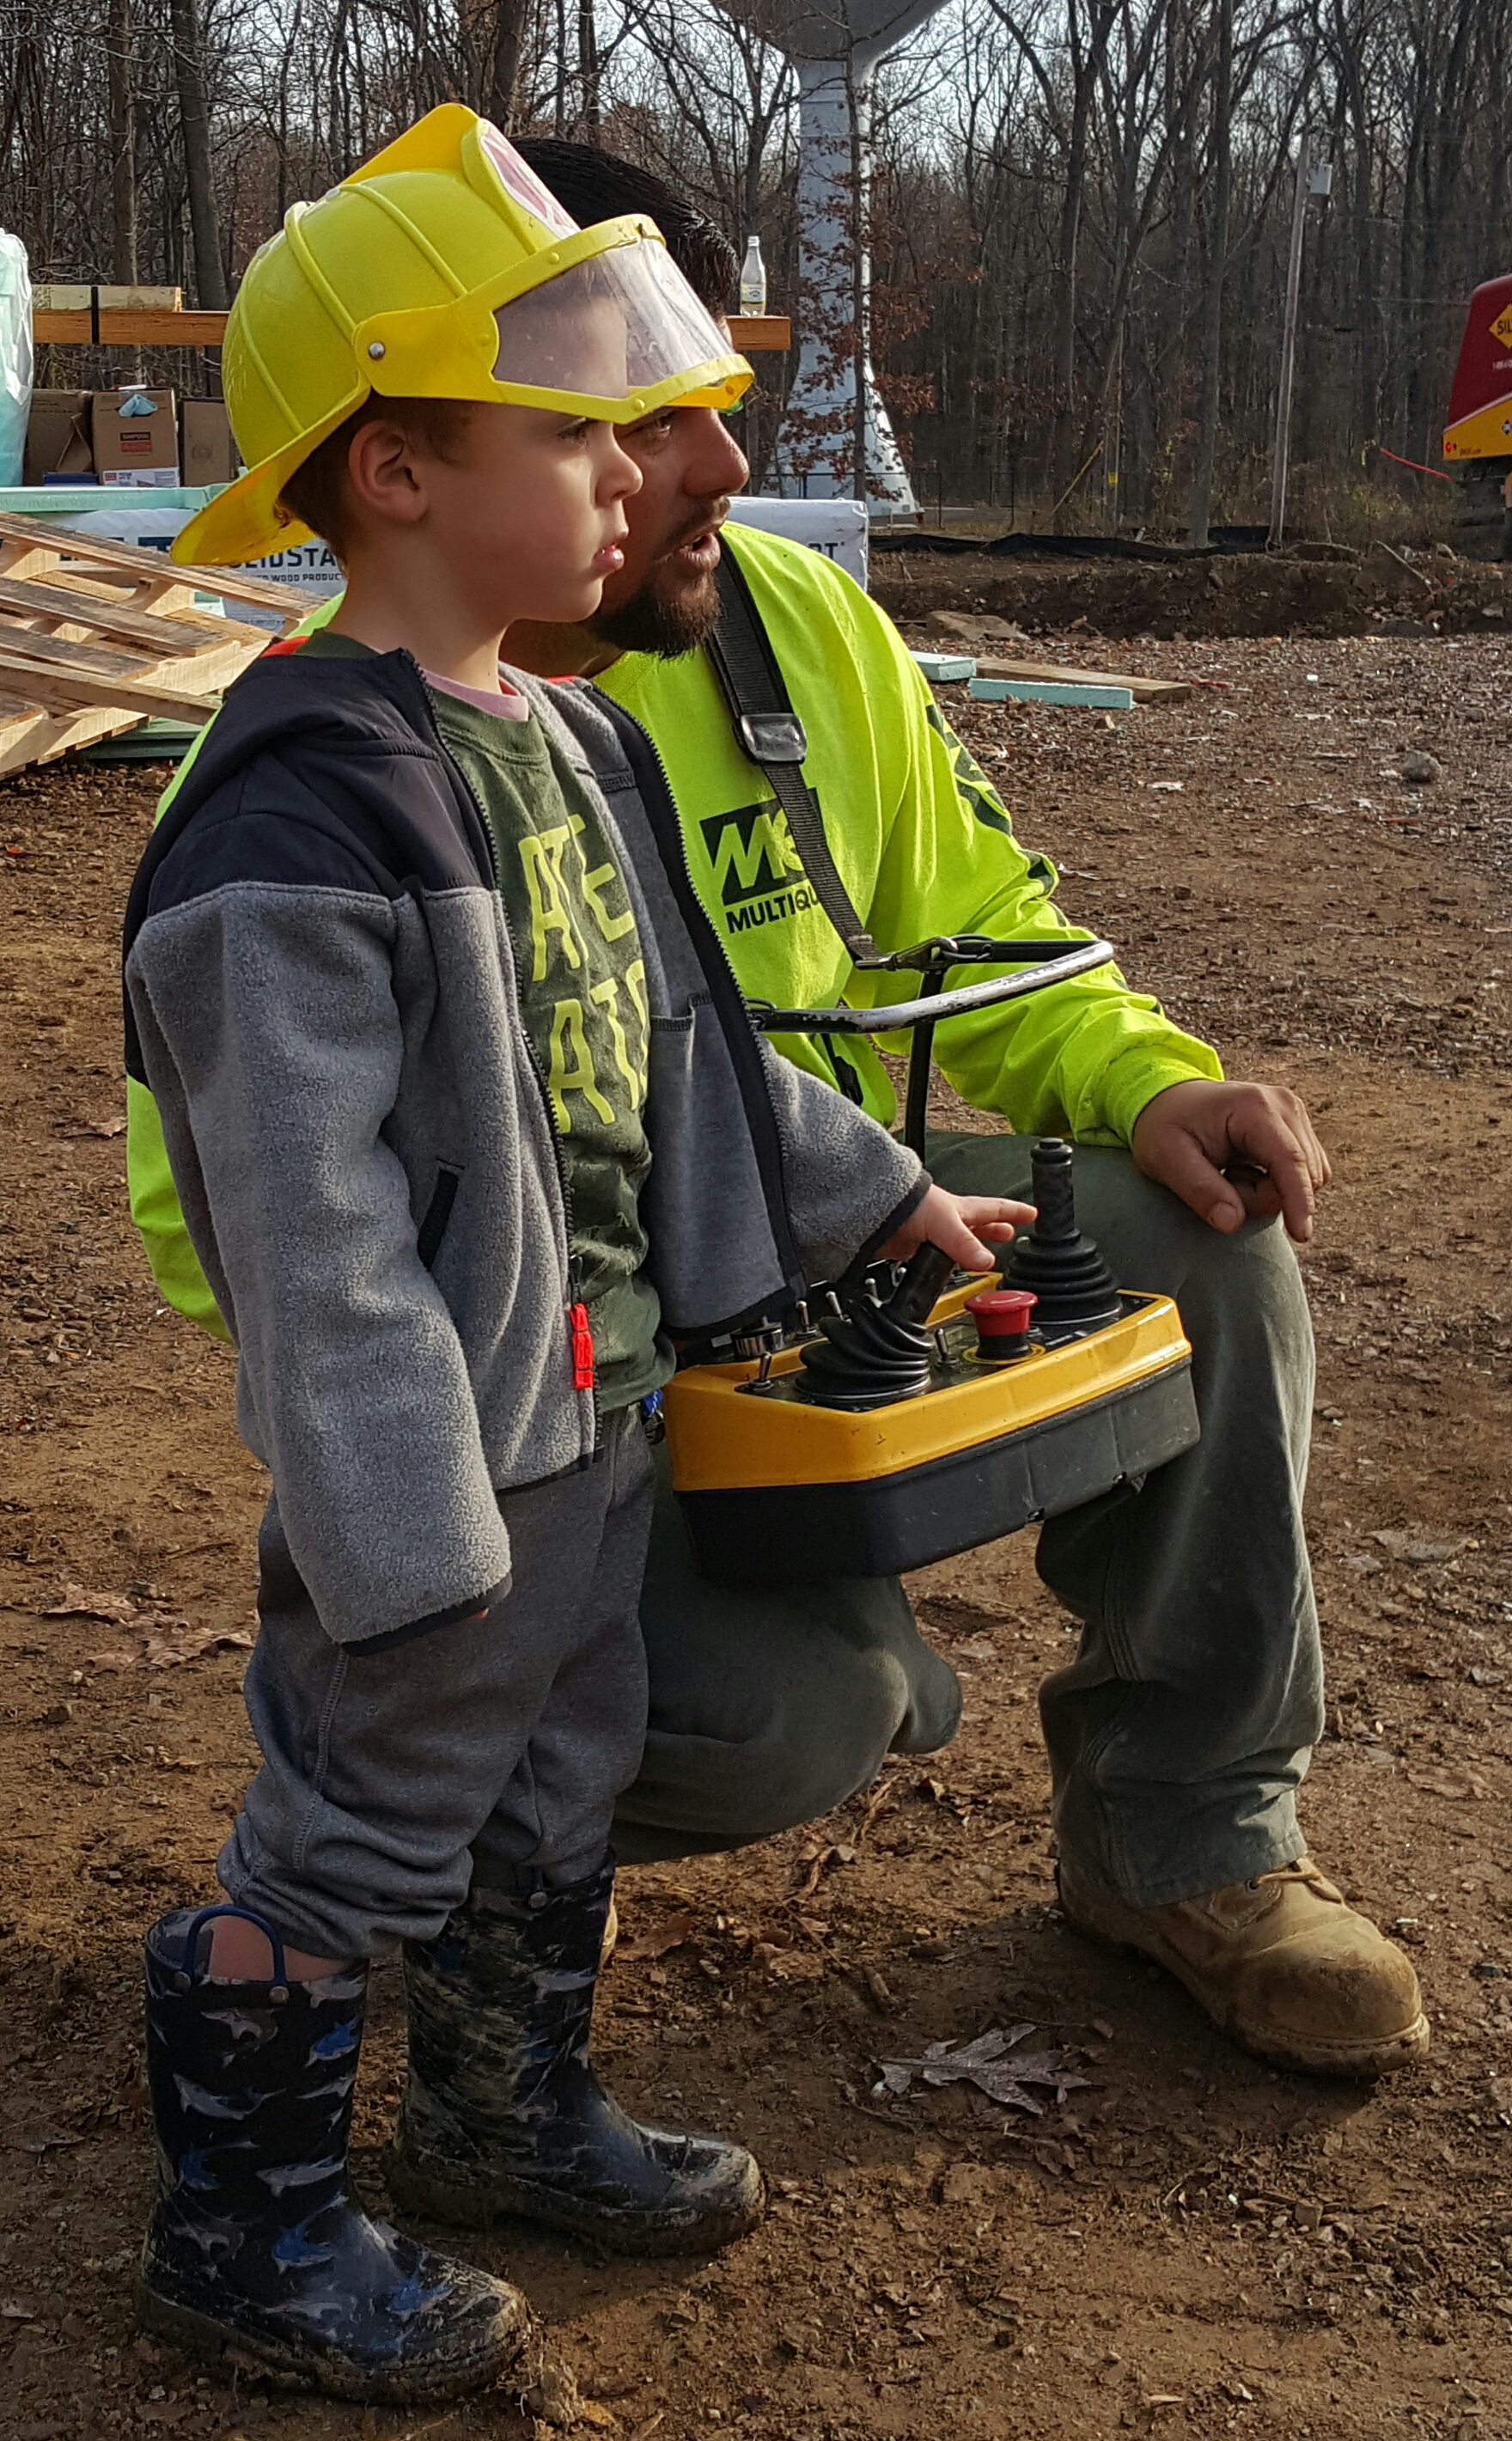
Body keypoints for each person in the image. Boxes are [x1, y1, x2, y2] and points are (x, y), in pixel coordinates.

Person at [121, 106, 1027, 2406]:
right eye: (573, 423)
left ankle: (503, 2112)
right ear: (396, 468)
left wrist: (875, 1187)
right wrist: (399, 1524)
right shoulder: (299, 806)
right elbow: (308, 1224)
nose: (639, 463)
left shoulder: (579, 749)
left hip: (600, 1407)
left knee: (556, 1771)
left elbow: (687, 1051)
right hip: (440, 1457)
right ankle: (244, 2231)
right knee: (361, 1821)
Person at [494, 142, 1430, 2084]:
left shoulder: (793, 626)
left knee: (1203, 1251)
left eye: (717, 395)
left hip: (849, 1239)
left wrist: (1151, 1082)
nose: (724, 464)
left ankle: (1187, 1835)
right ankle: (486, 1828)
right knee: (801, 1706)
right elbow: (231, 1220)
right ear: (465, 430)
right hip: (573, 1354)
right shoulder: (343, 746)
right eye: (644, 412)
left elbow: (983, 927)